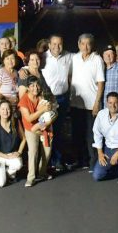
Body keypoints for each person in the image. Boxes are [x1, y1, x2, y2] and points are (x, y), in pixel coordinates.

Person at [69, 33, 105, 170]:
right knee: (78, 133)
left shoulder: (97, 60)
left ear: (92, 45)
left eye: (88, 43)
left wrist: (97, 103)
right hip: (76, 103)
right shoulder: (74, 58)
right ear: (79, 44)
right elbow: (70, 76)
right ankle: (80, 160)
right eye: (83, 43)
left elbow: (101, 82)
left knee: (92, 135)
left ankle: (93, 162)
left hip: (91, 105)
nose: (85, 46)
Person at [41, 34, 72, 170]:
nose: (56, 47)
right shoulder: (43, 58)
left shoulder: (68, 57)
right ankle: (46, 160)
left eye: (59, 44)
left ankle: (57, 160)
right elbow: (30, 66)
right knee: (46, 129)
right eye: (54, 44)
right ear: (49, 45)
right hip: (47, 100)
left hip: (62, 98)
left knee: (59, 130)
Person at [18, 76, 55, 187]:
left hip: (44, 126)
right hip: (30, 128)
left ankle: (42, 173)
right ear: (28, 88)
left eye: (37, 85)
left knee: (47, 151)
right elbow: (29, 118)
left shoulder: (42, 95)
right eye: (32, 85)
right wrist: (42, 110)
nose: (35, 88)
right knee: (33, 151)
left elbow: (50, 111)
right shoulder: (24, 100)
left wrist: (45, 122)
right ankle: (31, 177)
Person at [91, 92, 118, 183]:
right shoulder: (101, 114)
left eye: (115, 103)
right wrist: (100, 153)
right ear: (107, 103)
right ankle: (116, 169)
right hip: (108, 149)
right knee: (97, 176)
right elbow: (97, 134)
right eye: (110, 103)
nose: (113, 105)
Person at [0, 100, 26, 188]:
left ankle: (8, 174)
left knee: (18, 164)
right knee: (0, 184)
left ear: (11, 111)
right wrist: (7, 157)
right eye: (3, 109)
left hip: (11, 154)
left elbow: (24, 138)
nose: (5, 111)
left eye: (8, 109)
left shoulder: (16, 121)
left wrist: (19, 152)